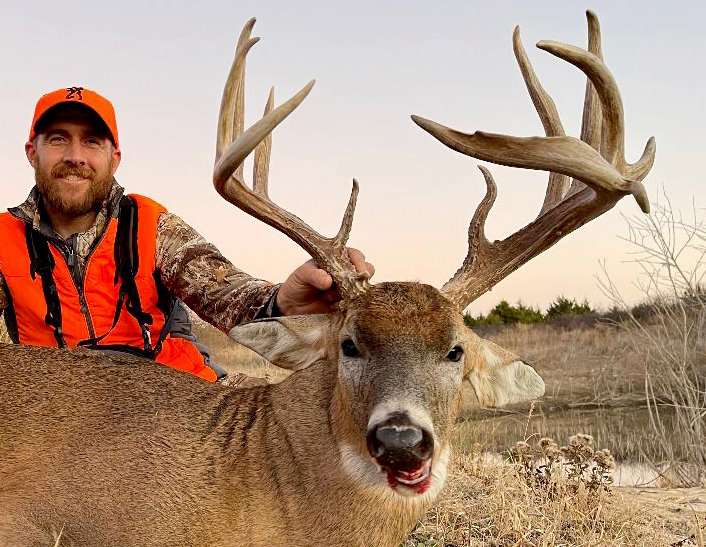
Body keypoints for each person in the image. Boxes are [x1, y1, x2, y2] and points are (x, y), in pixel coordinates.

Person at [0, 86, 373, 383]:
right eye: (58, 139)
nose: (75, 156)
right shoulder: (4, 239)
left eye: (93, 141)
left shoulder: (150, 225)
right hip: (58, 420)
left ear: (115, 157)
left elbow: (225, 292)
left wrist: (281, 304)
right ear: (32, 152)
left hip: (176, 403)